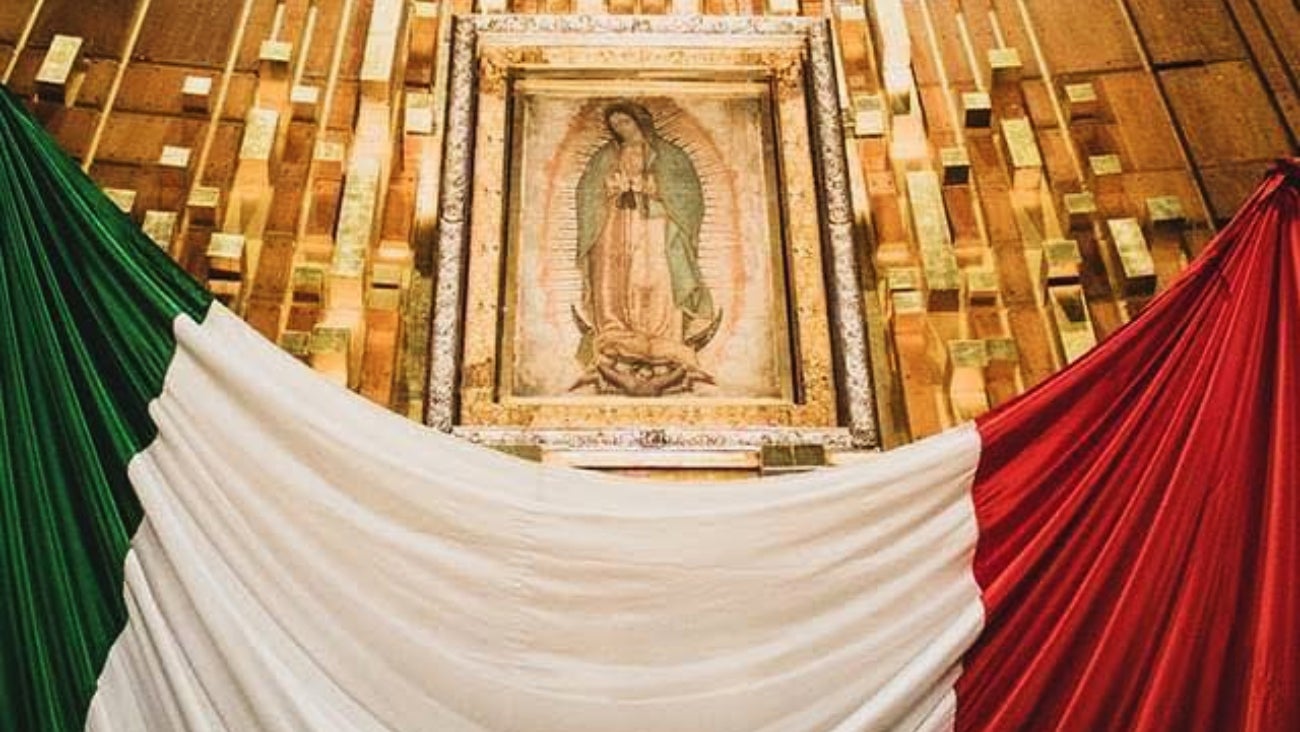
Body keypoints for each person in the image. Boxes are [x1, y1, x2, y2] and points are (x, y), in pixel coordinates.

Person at [572, 101, 720, 396]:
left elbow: (689, 196)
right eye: (615, 125)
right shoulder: (604, 156)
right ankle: (616, 332)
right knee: (616, 278)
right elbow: (586, 194)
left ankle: (661, 336)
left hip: (656, 225)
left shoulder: (670, 156)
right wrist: (606, 189)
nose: (620, 129)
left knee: (655, 276)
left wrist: (656, 189)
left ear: (640, 122)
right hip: (614, 226)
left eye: (625, 122)